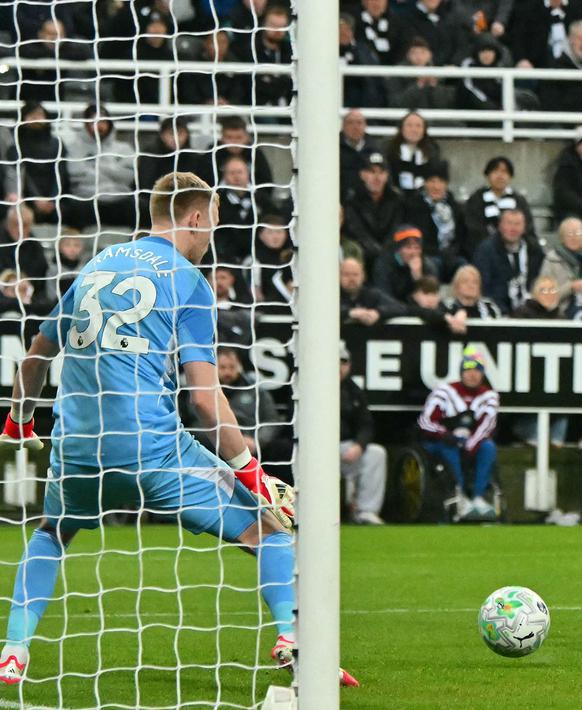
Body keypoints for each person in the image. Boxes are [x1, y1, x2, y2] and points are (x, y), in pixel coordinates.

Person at [0, 171, 336, 684]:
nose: (209, 242)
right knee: (271, 534)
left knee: (51, 534)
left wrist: (20, 419)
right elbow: (203, 398)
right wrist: (249, 468)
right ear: (196, 217)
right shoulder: (188, 281)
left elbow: (35, 359)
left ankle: (14, 650)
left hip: (78, 450)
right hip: (153, 451)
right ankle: (292, 637)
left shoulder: (94, 267)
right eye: (213, 228)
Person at [417, 347, 500, 520]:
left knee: (488, 447)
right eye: (468, 369)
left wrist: (468, 445)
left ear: (483, 373)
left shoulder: (489, 396)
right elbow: (425, 421)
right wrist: (446, 435)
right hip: (441, 441)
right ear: (461, 371)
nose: (472, 374)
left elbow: (487, 426)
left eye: (477, 370)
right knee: (449, 447)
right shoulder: (444, 391)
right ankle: (458, 495)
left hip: (470, 443)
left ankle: (478, 497)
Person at [60, 103, 138, 230]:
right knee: (76, 208)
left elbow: (128, 176)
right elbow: (76, 175)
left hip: (119, 197)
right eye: (93, 122)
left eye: (102, 121)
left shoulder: (124, 148)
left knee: (139, 207)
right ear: (86, 125)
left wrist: (95, 165)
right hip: (87, 197)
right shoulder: (74, 146)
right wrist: (114, 168)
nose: (98, 126)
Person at [339, 342, 387, 526]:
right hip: (312, 450)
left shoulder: (354, 391)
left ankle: (366, 511)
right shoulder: (305, 386)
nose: (339, 366)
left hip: (345, 448)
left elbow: (366, 424)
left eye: (343, 362)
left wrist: (359, 445)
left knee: (376, 453)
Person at [3, 102, 69, 225]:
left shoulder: (57, 144)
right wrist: (35, 199)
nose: (36, 118)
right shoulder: (15, 144)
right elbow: (21, 174)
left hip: (53, 199)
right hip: (25, 196)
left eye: (40, 114)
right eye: (32, 115)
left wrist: (52, 199)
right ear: (23, 118)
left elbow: (60, 174)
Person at [472, 208, 545, 313]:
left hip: (530, 312)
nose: (513, 228)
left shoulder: (534, 250)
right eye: (509, 223)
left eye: (517, 224)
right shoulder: (486, 250)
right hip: (497, 311)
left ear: (524, 227)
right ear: (500, 226)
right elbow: (483, 288)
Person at [403, 160, 470, 269]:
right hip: (427, 256)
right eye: (432, 181)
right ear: (425, 183)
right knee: (433, 265)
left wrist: (452, 252)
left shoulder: (454, 206)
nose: (436, 186)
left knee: (464, 266)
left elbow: (461, 237)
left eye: (441, 181)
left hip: (452, 256)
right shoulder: (414, 206)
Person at [343, 152, 405, 266]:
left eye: (381, 172)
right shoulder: (353, 199)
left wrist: (385, 251)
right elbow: (357, 231)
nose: (377, 178)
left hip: (390, 254)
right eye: (372, 172)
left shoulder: (396, 199)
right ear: (362, 174)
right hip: (364, 254)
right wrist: (378, 251)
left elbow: (395, 229)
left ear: (387, 176)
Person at [540, 217, 582, 317]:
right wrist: (570, 287)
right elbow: (544, 296)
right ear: (562, 238)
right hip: (559, 316)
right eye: (569, 234)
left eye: (578, 233)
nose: (574, 237)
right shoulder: (551, 261)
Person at [463, 156, 536, 243]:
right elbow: (473, 229)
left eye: (504, 172)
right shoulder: (476, 199)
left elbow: (527, 228)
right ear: (487, 175)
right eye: (495, 171)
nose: (500, 176)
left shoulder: (519, 200)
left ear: (510, 176)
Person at [508, 0, 582, 68]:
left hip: (574, 68)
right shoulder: (529, 7)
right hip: (538, 69)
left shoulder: (580, 8)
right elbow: (518, 37)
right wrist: (522, 59)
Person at [372, 225, 440, 302]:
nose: (413, 253)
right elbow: (383, 296)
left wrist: (418, 279)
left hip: (419, 310)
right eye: (408, 247)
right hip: (393, 309)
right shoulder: (384, 265)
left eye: (417, 248)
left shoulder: (428, 266)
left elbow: (431, 298)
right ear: (398, 249)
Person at [384, 37, 453, 110]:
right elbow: (395, 104)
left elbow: (446, 104)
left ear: (430, 55)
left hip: (435, 119)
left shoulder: (440, 76)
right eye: (414, 52)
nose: (418, 57)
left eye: (423, 52)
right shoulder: (398, 75)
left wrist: (433, 85)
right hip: (408, 118)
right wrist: (419, 85)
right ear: (408, 55)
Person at [213, 155, 258, 266]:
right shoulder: (215, 201)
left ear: (248, 174)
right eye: (232, 173)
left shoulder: (261, 199)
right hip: (224, 259)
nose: (236, 177)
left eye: (240, 172)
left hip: (256, 256)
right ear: (224, 176)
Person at [340, 256, 410, 325]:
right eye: (346, 274)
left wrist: (378, 312)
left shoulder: (371, 294)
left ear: (363, 276)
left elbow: (401, 308)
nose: (351, 279)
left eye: (355, 274)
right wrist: (350, 313)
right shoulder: (332, 295)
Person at [384, 111, 443, 193]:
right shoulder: (390, 149)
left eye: (418, 126)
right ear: (401, 128)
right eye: (409, 125)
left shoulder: (432, 150)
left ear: (424, 130)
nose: (414, 130)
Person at [340, 12, 385, 108]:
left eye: (347, 29)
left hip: (361, 103)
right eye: (340, 30)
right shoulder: (325, 53)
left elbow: (373, 81)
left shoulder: (363, 52)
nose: (344, 33)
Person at [406, 0, 468, 65]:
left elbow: (462, 45)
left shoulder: (452, 17)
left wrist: (453, 64)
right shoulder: (407, 19)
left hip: (449, 71)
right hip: (417, 70)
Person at [0, 205, 49, 283]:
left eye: (25, 225)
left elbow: (41, 272)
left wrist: (27, 283)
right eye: (16, 224)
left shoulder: (34, 244)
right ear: (7, 223)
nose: (21, 230)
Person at [340, 110, 380, 200]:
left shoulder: (375, 149)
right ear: (343, 126)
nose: (355, 127)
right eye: (350, 123)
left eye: (359, 123)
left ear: (365, 125)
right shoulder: (334, 149)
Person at [356, 0, 408, 65]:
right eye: (373, 0)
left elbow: (402, 46)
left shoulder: (397, 23)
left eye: (380, 0)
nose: (377, 3)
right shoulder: (355, 22)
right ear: (364, 2)